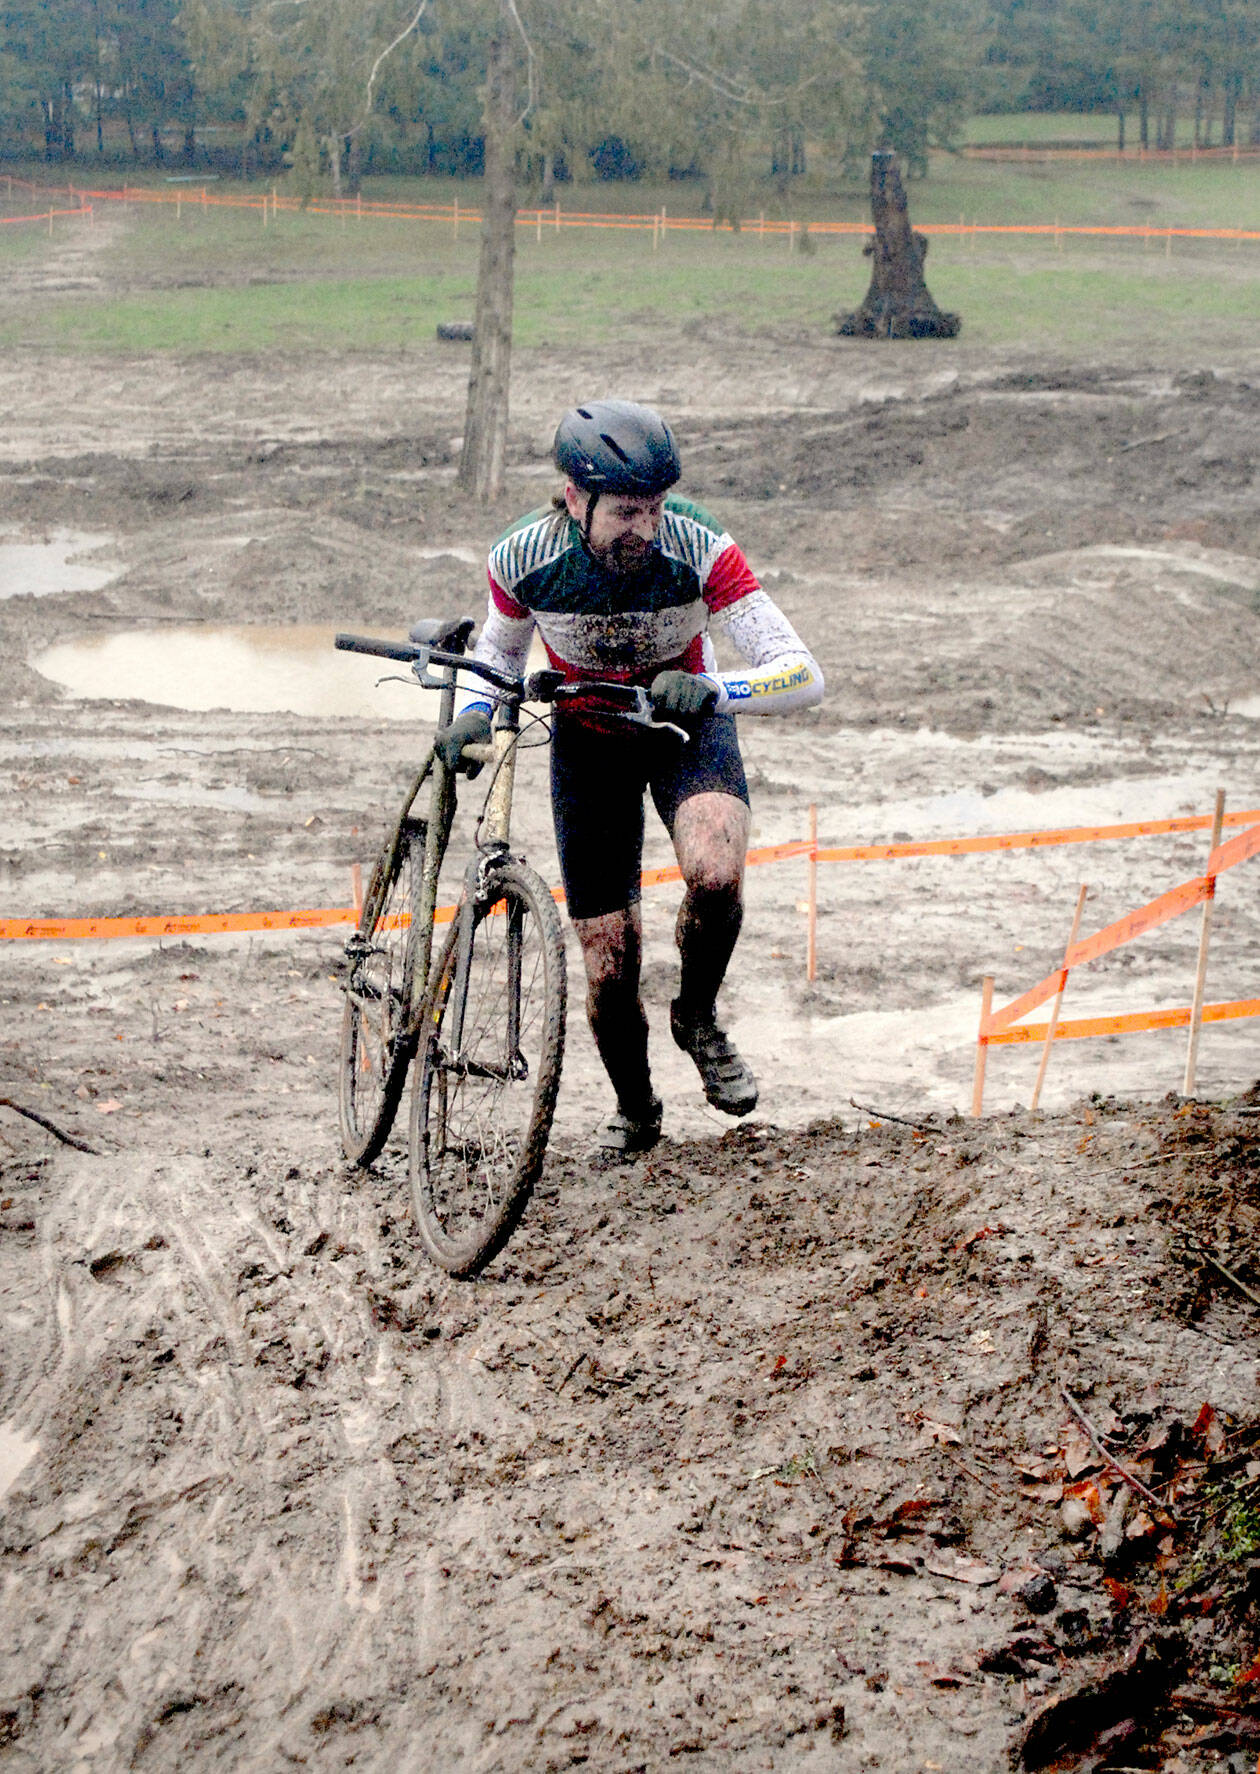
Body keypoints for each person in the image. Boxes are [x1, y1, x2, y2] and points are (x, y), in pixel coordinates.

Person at [436, 399, 823, 1153]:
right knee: (608, 965)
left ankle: (697, 1017)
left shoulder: (699, 545)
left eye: (652, 509)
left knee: (715, 872)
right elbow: (501, 656)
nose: (641, 529)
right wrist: (477, 712)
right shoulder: (525, 556)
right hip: (588, 742)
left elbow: (803, 674)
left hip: (686, 726)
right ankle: (637, 1108)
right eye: (623, 513)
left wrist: (717, 690)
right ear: (575, 499)